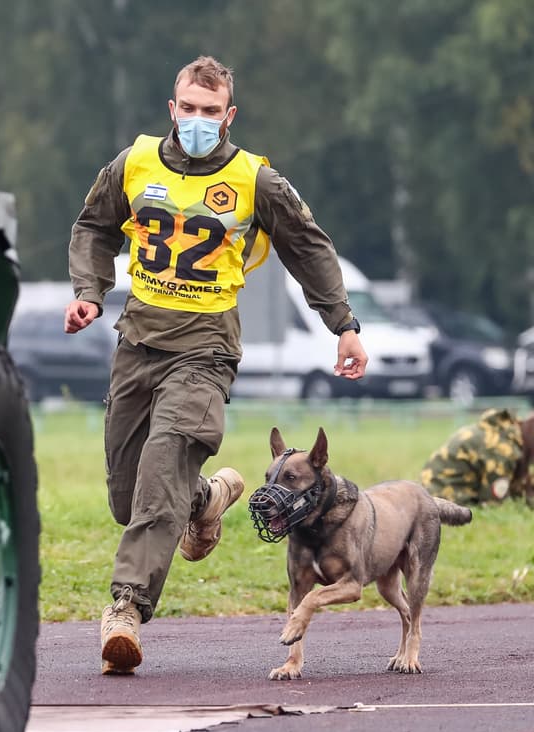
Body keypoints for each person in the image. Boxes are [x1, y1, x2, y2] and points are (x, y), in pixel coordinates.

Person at [65, 55, 369, 676]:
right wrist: (89, 291)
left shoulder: (254, 178)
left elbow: (308, 246)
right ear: (172, 108)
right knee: (129, 496)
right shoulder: (134, 162)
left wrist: (344, 326)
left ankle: (125, 608)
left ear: (228, 115)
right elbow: (94, 226)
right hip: (137, 341)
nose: (199, 120)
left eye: (212, 112)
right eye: (189, 109)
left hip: (205, 349)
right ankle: (205, 499)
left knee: (161, 473)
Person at [420, 408, 534, 506]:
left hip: (430, 490)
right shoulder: (503, 449)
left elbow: (519, 487)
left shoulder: (506, 433)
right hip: (440, 497)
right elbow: (493, 502)